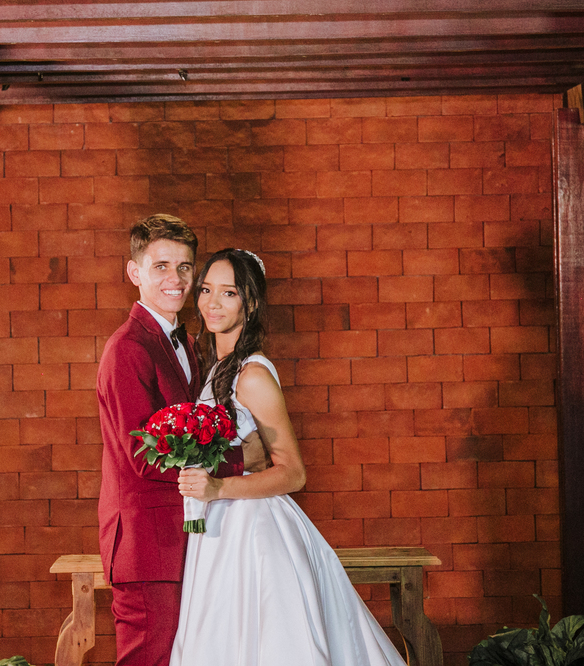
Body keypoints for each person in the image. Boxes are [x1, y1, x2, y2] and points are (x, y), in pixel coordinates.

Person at [171, 248, 409, 666]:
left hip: (252, 530)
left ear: (250, 302)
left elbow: (294, 473)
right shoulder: (215, 366)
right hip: (218, 526)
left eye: (229, 293)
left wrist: (218, 487)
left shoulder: (253, 375)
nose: (212, 302)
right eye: (206, 290)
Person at [96, 215, 266, 666]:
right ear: (134, 272)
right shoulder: (127, 348)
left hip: (187, 535)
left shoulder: (187, 343)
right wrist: (240, 459)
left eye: (185, 267)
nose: (176, 279)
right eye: (161, 266)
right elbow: (144, 455)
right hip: (147, 545)